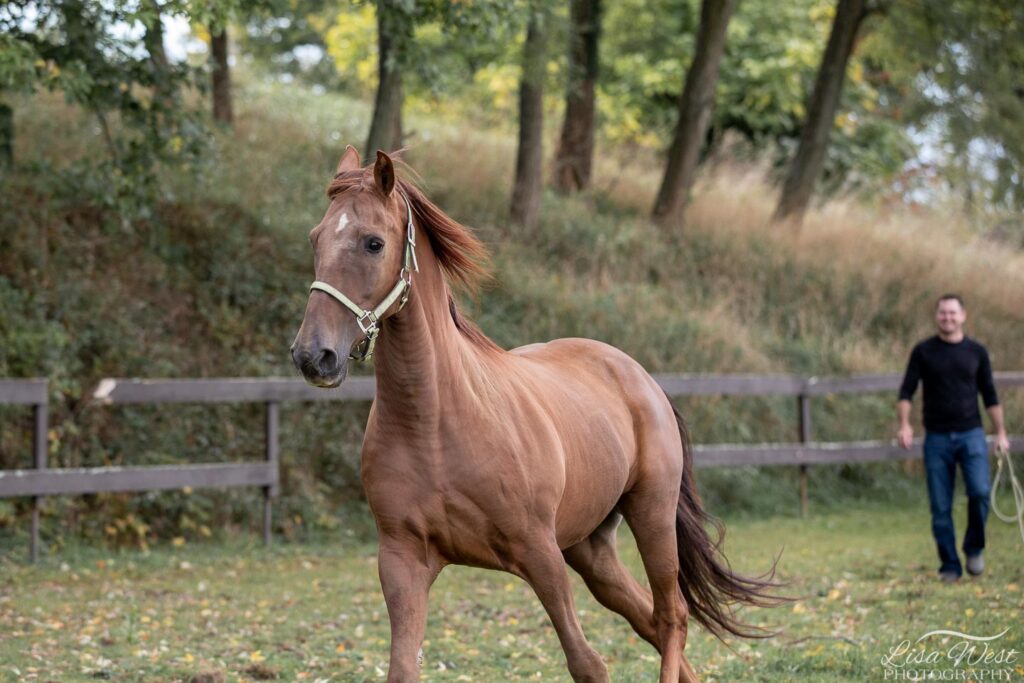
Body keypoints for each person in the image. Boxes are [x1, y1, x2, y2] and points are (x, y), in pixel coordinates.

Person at [896, 294, 1010, 583]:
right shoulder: (923, 352)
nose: (947, 318)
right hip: (936, 438)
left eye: (952, 313)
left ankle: (974, 548)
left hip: (971, 434)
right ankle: (949, 565)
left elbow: (990, 394)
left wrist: (1000, 432)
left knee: (980, 492)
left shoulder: (976, 352)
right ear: (937, 317)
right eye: (942, 313)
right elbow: (906, 391)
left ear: (963, 316)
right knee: (940, 505)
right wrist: (905, 425)